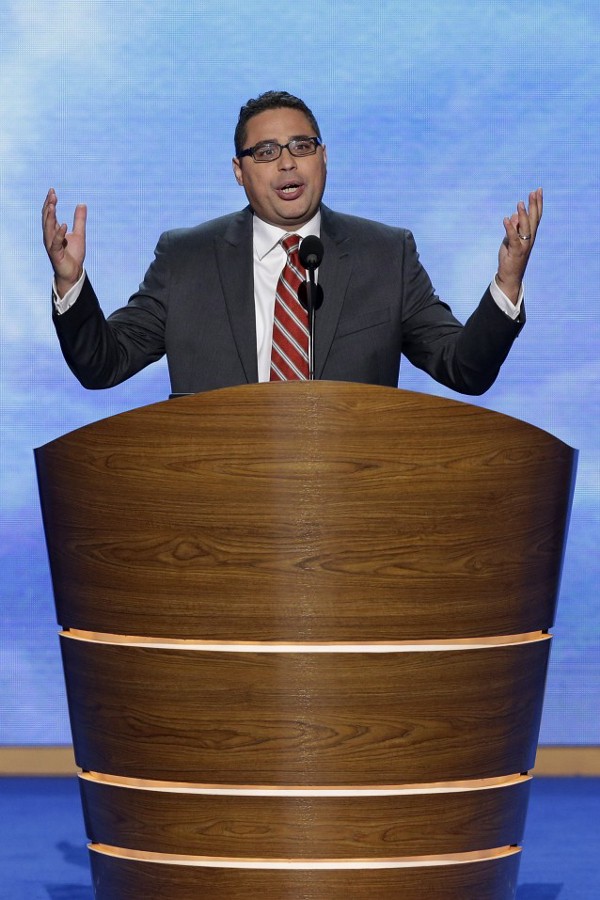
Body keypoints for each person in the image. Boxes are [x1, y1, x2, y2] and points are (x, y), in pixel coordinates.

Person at [42, 90, 542, 396]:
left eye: (302, 147)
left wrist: (506, 282)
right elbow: (103, 364)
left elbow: (464, 368)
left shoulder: (385, 254)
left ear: (323, 158)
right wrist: (70, 283)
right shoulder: (186, 258)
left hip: (348, 510)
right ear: (239, 171)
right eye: (266, 151)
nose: (287, 163)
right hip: (218, 512)